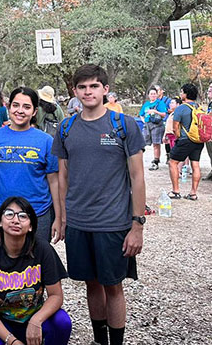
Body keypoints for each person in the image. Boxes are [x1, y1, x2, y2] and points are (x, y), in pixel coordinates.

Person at [52, 64, 145, 345]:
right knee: (91, 284)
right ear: (75, 91)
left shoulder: (123, 124)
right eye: (82, 87)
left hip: (113, 223)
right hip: (79, 222)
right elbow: (62, 176)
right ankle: (99, 340)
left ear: (105, 89)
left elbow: (137, 176)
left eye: (94, 86)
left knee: (113, 286)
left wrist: (137, 225)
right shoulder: (66, 127)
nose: (88, 91)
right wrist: (62, 217)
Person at [0, 196, 71, 345]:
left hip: (32, 316)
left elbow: (56, 296)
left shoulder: (43, 250)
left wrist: (36, 320)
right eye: (9, 214)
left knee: (62, 322)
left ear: (31, 226)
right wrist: (12, 341)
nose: (16, 220)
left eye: (23, 216)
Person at [0, 86, 61, 245]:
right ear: (8, 107)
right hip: (1, 212)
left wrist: (59, 217)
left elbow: (54, 180)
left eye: (27, 107)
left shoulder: (46, 141)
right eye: (16, 105)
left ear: (35, 111)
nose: (20, 111)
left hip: (38, 214)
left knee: (35, 265)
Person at [167, 84, 204, 201]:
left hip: (185, 140)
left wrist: (178, 138)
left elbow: (175, 127)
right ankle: (193, 193)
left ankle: (175, 191)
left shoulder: (181, 108)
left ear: (186, 94)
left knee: (172, 162)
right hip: (198, 140)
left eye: (182, 92)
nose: (181, 94)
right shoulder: (199, 108)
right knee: (195, 164)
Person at [139, 87, 167, 171]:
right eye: (151, 94)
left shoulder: (160, 103)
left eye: (154, 94)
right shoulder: (146, 104)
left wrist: (154, 111)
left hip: (156, 125)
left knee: (156, 143)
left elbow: (163, 114)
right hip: (147, 125)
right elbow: (141, 114)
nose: (153, 95)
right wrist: (143, 120)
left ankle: (156, 161)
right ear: (148, 95)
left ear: (157, 94)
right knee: (143, 142)